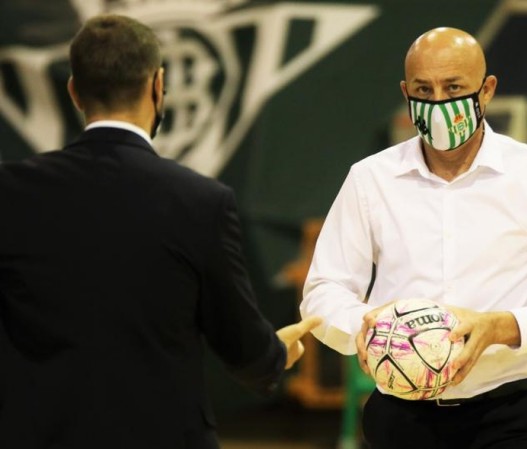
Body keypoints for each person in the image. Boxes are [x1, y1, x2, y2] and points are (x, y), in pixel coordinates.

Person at [0, 14, 320, 449]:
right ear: (158, 84)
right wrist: (276, 355)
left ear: (74, 92)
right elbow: (241, 344)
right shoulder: (201, 201)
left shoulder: (12, 192)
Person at [300, 27, 527, 448]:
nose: (439, 103)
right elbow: (322, 291)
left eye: (454, 87)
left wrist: (500, 327)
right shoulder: (370, 179)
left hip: (508, 415)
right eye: (424, 89)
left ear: (486, 91)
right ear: (407, 94)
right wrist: (370, 328)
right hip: (400, 416)